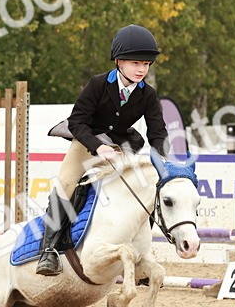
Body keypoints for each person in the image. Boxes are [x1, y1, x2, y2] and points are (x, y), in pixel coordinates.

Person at [37, 24, 168, 276]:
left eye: (146, 64)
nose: (142, 69)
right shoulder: (98, 84)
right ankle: (49, 250)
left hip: (120, 147)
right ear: (119, 61)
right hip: (86, 142)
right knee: (66, 183)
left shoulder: (148, 95)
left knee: (144, 187)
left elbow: (157, 132)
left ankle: (140, 255)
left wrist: (161, 156)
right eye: (136, 63)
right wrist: (97, 147)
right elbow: (77, 122)